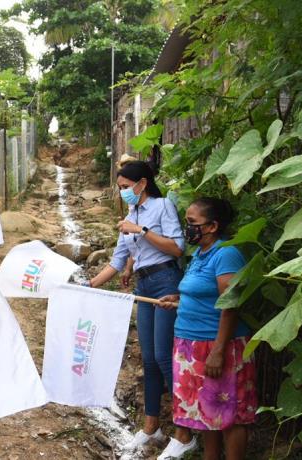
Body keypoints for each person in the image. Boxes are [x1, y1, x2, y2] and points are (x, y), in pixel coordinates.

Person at [88, 160, 186, 452]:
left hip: (166, 280)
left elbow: (177, 247)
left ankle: (185, 432)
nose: (122, 193)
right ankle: (151, 427)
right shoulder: (130, 214)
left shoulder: (162, 206)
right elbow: (116, 261)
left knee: (164, 357)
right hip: (144, 285)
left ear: (142, 184)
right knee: (149, 360)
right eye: (120, 189)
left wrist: (140, 230)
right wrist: (89, 285)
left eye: (125, 187)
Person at [156, 198, 255, 460]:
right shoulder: (199, 254)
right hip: (191, 344)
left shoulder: (226, 254)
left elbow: (230, 304)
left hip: (217, 345)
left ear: (212, 226)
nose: (187, 228)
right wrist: (178, 300)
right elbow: (203, 292)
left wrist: (219, 350)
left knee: (230, 413)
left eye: (192, 223)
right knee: (206, 412)